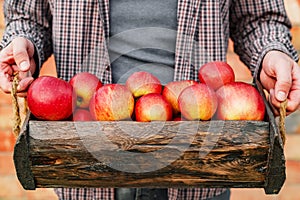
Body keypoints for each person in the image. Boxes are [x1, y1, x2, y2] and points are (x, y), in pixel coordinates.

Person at [0, 0, 300, 199]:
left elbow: (258, 18)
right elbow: (27, 16)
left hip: (198, 169)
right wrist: (22, 42)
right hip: (87, 170)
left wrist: (273, 51)